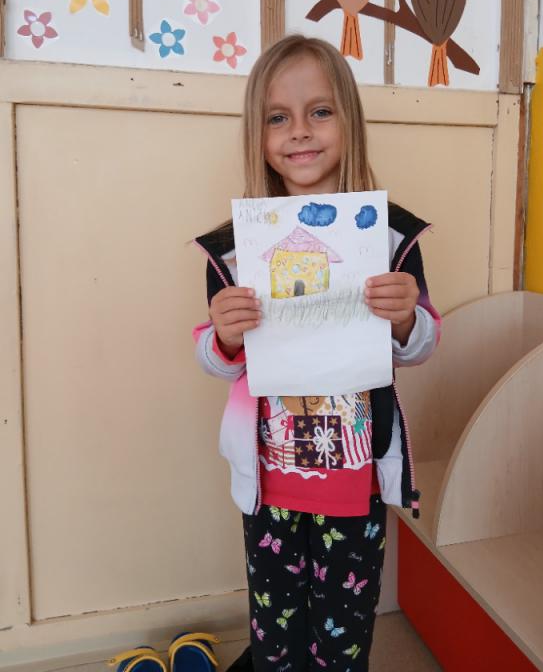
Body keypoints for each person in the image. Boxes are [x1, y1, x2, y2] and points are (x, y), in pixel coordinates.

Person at [193, 35, 440, 671]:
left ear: (349, 122)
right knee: (276, 630)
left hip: (354, 482)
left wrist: (406, 317)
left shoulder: (389, 239)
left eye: (320, 111)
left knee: (344, 635)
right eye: (278, 117)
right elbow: (217, 358)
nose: (300, 131)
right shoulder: (236, 249)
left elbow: (420, 344)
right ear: (258, 135)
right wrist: (224, 336)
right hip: (271, 479)